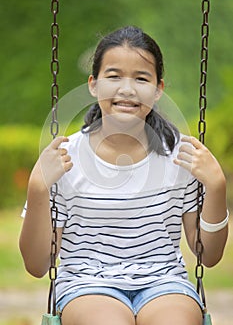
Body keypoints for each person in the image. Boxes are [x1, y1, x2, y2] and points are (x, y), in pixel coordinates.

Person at [19, 26, 228, 325]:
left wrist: (216, 186)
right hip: (87, 284)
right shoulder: (65, 158)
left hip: (164, 284)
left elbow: (208, 256)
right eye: (114, 76)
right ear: (93, 84)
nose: (127, 89)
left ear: (158, 90)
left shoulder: (181, 155)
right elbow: (37, 265)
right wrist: (38, 187)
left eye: (141, 79)